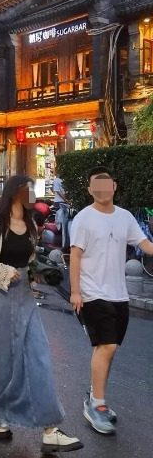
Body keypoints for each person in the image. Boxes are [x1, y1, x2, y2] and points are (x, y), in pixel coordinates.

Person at [0, 175, 83, 453]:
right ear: (15, 193)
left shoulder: (30, 224)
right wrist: (3, 271)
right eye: (28, 191)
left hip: (25, 299)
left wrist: (38, 274)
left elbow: (28, 260)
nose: (32, 195)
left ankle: (50, 428)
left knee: (38, 357)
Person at [70, 166, 153, 435]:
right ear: (90, 190)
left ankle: (95, 397)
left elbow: (144, 244)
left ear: (114, 187)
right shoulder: (84, 218)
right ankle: (98, 404)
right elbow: (75, 256)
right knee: (107, 346)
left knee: (108, 347)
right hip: (93, 293)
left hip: (119, 293)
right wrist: (75, 291)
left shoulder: (125, 216)